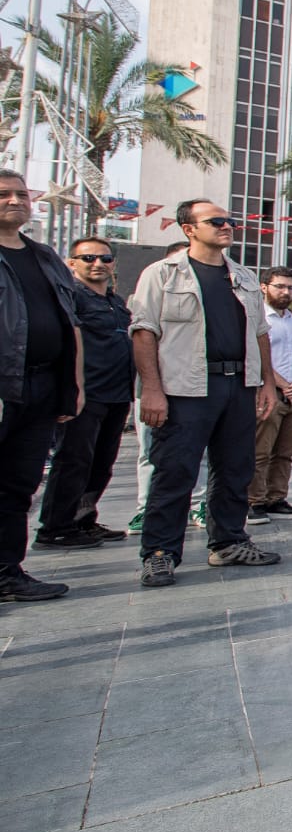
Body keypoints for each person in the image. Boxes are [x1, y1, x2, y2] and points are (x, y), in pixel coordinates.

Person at [129, 200, 284, 586]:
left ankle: (229, 542)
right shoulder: (162, 274)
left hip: (237, 386)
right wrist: (152, 389)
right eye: (215, 221)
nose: (226, 226)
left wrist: (266, 382)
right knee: (175, 470)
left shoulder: (244, 276)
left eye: (229, 220)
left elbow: (260, 334)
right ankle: (160, 552)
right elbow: (144, 331)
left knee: (235, 469)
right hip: (185, 388)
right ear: (188, 229)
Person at [0, 169, 83, 602]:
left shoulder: (45, 256)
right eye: (3, 194)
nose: (15, 200)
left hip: (42, 387)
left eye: (21, 194)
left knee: (19, 485)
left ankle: (6, 572)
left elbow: (70, 322)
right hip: (3, 387)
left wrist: (73, 384)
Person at [35, 237, 133, 551]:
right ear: (72, 262)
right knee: (73, 461)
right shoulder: (69, 297)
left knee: (102, 462)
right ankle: (55, 527)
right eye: (89, 258)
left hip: (117, 394)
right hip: (84, 395)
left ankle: (83, 518)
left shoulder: (115, 302)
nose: (98, 264)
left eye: (105, 258)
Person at [246, 266, 292, 524]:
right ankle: (254, 501)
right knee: (260, 451)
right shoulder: (258, 319)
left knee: (285, 452)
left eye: (290, 287)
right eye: (280, 286)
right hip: (268, 392)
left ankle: (277, 497)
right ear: (264, 287)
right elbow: (260, 358)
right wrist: (284, 385)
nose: (286, 292)